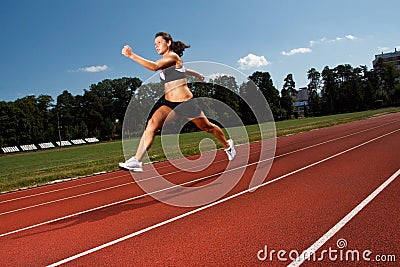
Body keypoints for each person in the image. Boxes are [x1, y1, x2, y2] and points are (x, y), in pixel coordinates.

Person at [119, 32, 236, 172]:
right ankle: (137, 161)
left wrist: (132, 55)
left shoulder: (172, 56)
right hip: (170, 105)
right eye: (154, 44)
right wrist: (197, 74)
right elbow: (183, 70)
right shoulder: (167, 62)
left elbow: (154, 67)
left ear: (168, 43)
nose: (156, 46)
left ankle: (228, 146)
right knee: (151, 124)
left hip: (186, 103)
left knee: (207, 127)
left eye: (159, 43)